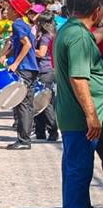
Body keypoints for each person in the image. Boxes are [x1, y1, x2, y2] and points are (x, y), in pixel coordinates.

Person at [53, 0, 103, 208]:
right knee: (78, 172)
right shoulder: (79, 38)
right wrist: (91, 115)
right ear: (97, 11)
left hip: (78, 116)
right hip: (84, 119)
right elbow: (79, 77)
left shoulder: (69, 31)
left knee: (76, 170)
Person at [5, 0, 39, 150]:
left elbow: (27, 44)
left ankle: (24, 140)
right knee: (28, 104)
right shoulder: (25, 24)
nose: (6, 11)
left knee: (22, 104)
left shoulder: (17, 24)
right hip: (32, 68)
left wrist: (15, 63)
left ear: (15, 11)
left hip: (24, 68)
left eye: (9, 9)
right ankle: (25, 137)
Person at [34, 13, 60, 142]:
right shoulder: (51, 35)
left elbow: (42, 53)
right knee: (40, 100)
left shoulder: (45, 37)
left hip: (45, 71)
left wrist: (29, 49)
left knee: (45, 102)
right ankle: (40, 131)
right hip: (47, 69)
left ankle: (52, 130)